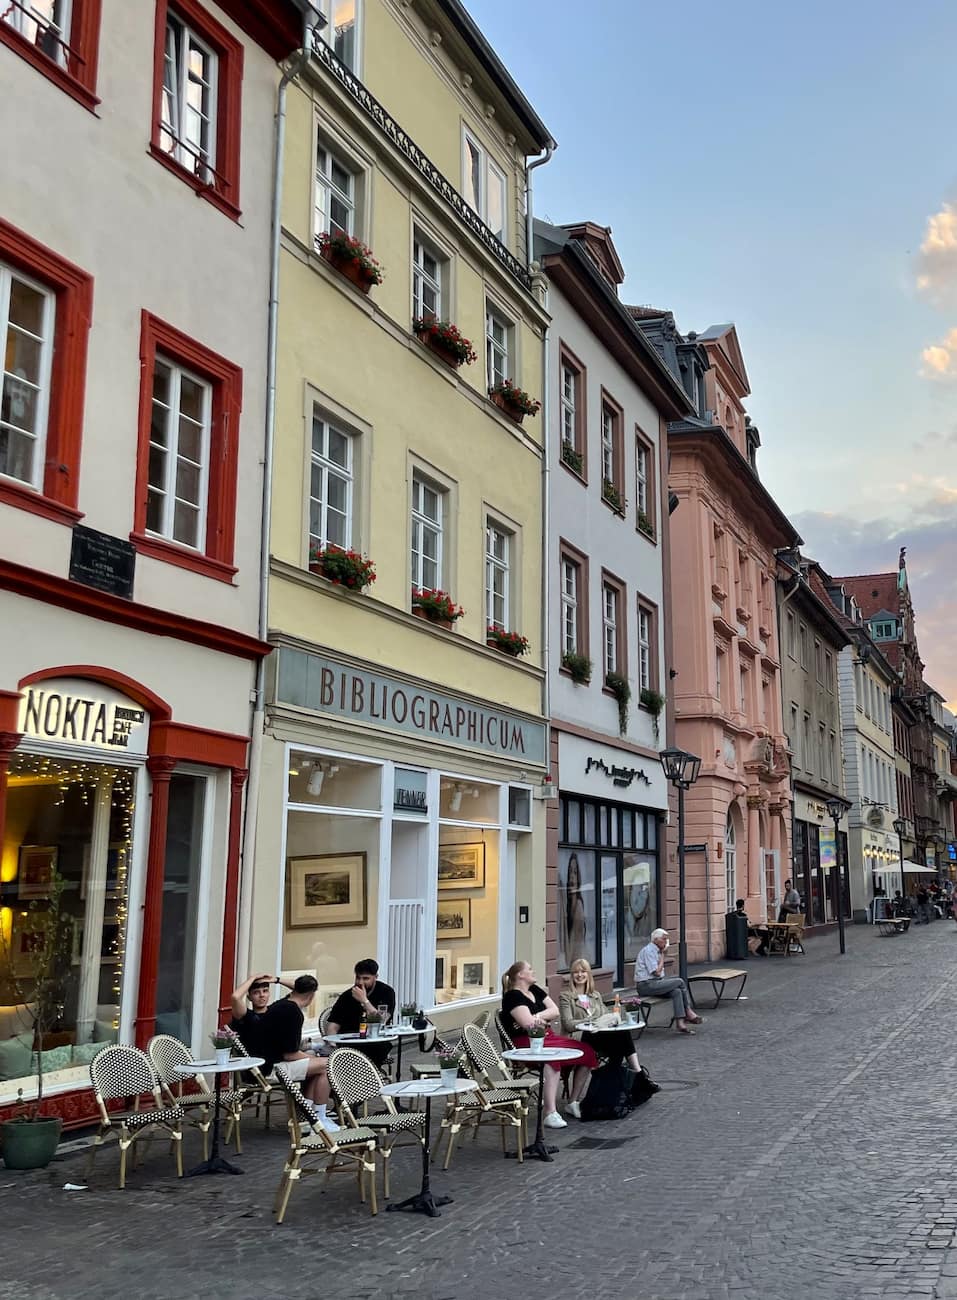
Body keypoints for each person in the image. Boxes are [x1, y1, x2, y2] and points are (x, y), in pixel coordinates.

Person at [501, 960, 598, 1127]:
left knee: (587, 1051)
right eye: (530, 969)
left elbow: (554, 1011)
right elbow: (528, 1025)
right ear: (520, 975)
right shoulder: (512, 996)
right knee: (552, 1059)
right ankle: (549, 1112)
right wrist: (539, 1019)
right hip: (527, 1043)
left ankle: (573, 1101)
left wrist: (536, 1017)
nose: (533, 971)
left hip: (548, 1036)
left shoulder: (535, 990)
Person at [259, 974, 337, 1130]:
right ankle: (320, 1119)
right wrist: (313, 1057)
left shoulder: (282, 1004)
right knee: (328, 1064)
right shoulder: (293, 1013)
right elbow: (290, 1054)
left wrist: (277, 980)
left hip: (263, 1062)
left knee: (317, 1066)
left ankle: (306, 1118)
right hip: (273, 1068)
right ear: (312, 995)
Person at [559, 957, 643, 1075]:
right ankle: (634, 1076)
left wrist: (612, 1019)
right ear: (572, 975)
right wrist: (590, 1021)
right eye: (576, 972)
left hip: (597, 1036)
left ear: (588, 975)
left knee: (623, 1035)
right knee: (619, 1041)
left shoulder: (595, 995)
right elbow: (568, 1024)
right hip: (579, 1037)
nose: (579, 975)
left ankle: (636, 1073)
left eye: (583, 972)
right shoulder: (566, 997)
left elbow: (606, 1015)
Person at [327, 958, 397, 1068]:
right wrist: (332, 1044)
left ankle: (369, 1081)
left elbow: (382, 1020)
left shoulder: (386, 992)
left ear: (375, 977)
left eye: (366, 978)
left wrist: (364, 1001)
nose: (360, 982)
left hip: (375, 1041)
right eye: (358, 978)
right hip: (349, 1041)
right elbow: (333, 1025)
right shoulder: (346, 996)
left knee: (374, 1052)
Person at [634, 929, 703, 1034]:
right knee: (679, 981)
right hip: (646, 985)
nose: (666, 942)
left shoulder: (657, 951)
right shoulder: (649, 951)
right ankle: (688, 1011)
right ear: (656, 939)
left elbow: (660, 975)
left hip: (655, 983)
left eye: (666, 939)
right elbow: (656, 972)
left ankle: (680, 1022)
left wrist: (661, 954)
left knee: (677, 992)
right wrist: (662, 956)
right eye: (664, 939)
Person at [229, 972, 292, 1059]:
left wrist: (276, 980)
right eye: (256, 993)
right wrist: (253, 978)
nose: (262, 995)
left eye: (265, 991)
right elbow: (235, 997)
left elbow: (302, 990)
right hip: (257, 1066)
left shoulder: (276, 1010)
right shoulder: (246, 1016)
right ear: (249, 997)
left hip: (280, 1061)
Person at [560, 854, 588, 971]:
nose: (572, 877)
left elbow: (574, 946)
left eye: (575, 873)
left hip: (576, 967)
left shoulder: (578, 908)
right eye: (570, 872)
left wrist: (566, 967)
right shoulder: (567, 903)